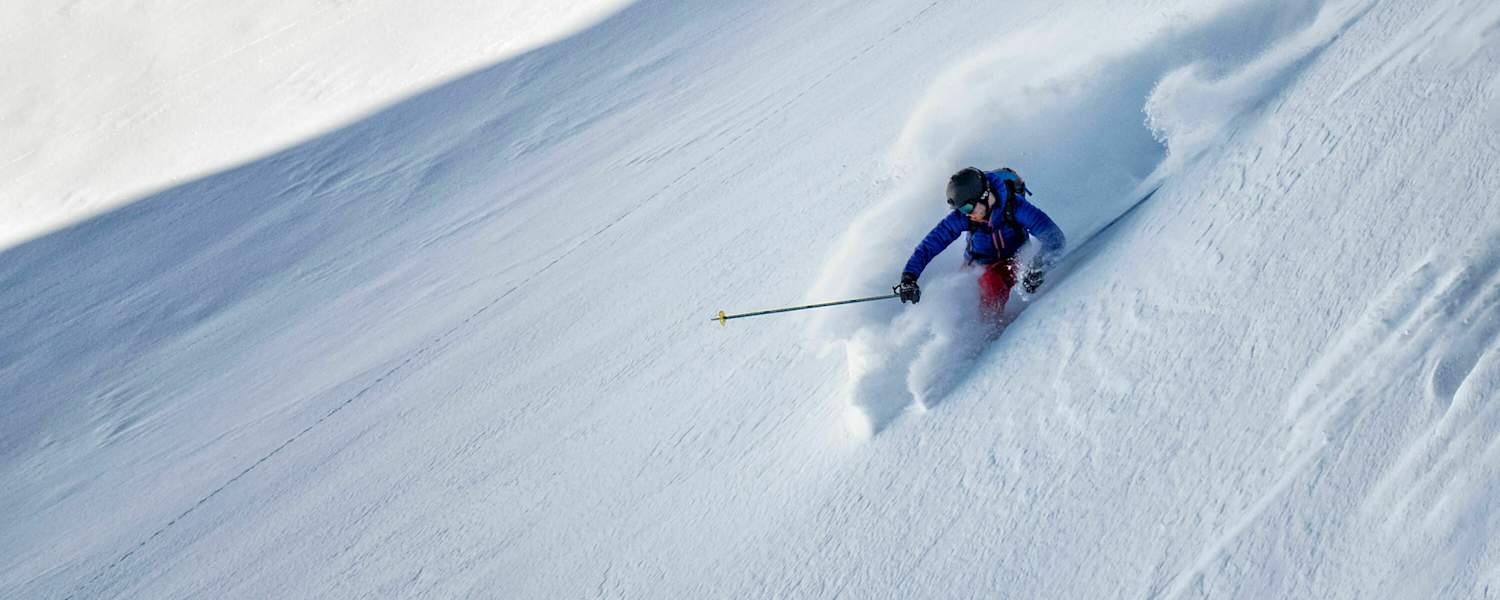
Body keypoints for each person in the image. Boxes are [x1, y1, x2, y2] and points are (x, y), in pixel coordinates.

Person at [894, 167, 1066, 320]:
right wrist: (909, 277)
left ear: (984, 196)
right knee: (961, 299)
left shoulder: (1015, 208)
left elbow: (1054, 238)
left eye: (968, 209)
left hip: (1011, 263)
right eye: (961, 210)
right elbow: (930, 245)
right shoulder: (964, 217)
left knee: (990, 283)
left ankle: (990, 332)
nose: (966, 214)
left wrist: (1038, 266)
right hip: (976, 265)